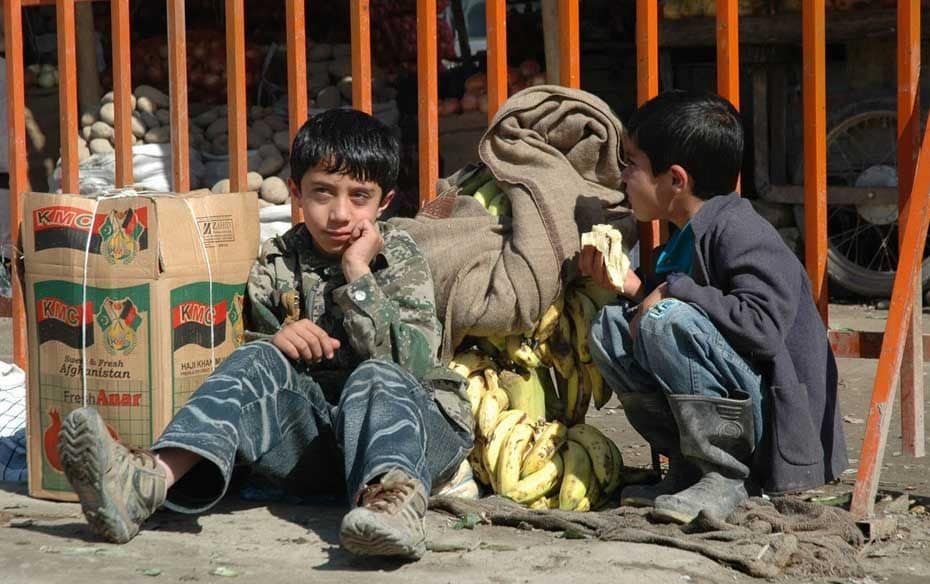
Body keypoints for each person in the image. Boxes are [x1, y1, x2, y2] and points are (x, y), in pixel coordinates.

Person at [58, 109, 475, 560]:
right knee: (254, 360)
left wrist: (358, 277)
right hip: (318, 447)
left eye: (359, 197)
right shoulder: (276, 262)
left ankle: (394, 510)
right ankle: (146, 481)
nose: (339, 213)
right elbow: (261, 383)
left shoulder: (398, 255)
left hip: (412, 435)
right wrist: (277, 341)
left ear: (385, 202)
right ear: (296, 192)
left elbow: (409, 366)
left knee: (375, 376)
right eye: (322, 192)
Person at [580, 90, 847, 524]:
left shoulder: (742, 230)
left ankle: (726, 474)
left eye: (632, 164)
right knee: (610, 327)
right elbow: (699, 316)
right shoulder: (688, 236)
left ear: (676, 180)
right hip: (734, 401)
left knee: (666, 319)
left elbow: (759, 327)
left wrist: (671, 293)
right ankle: (690, 467)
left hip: (769, 427)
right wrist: (633, 288)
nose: (623, 177)